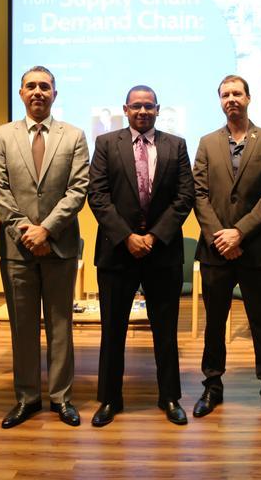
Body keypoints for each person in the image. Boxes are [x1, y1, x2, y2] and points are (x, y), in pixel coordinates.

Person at [0, 66, 89, 428]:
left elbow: (78, 189)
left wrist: (45, 230)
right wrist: (27, 232)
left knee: (61, 326)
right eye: (30, 86)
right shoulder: (1, 136)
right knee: (23, 328)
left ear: (54, 94)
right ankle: (27, 398)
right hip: (17, 250)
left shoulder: (74, 136)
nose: (38, 92)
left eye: (45, 87)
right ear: (21, 93)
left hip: (60, 247)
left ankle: (61, 398)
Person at [87, 85, 195, 426]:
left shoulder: (176, 145)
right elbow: (97, 195)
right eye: (136, 106)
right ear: (125, 109)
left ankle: (170, 397)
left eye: (149, 106)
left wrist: (154, 236)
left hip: (162, 252)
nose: (143, 111)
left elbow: (185, 196)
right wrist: (127, 237)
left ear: (158, 109)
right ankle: (109, 399)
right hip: (117, 253)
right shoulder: (106, 144)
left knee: (166, 331)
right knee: (113, 330)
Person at [192, 75, 261, 426]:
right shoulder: (206, 142)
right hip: (215, 251)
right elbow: (199, 194)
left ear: (248, 98)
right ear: (220, 100)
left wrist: (240, 233)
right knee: (214, 323)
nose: (231, 99)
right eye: (225, 94)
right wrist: (221, 237)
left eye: (237, 93)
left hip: (256, 250)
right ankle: (212, 386)